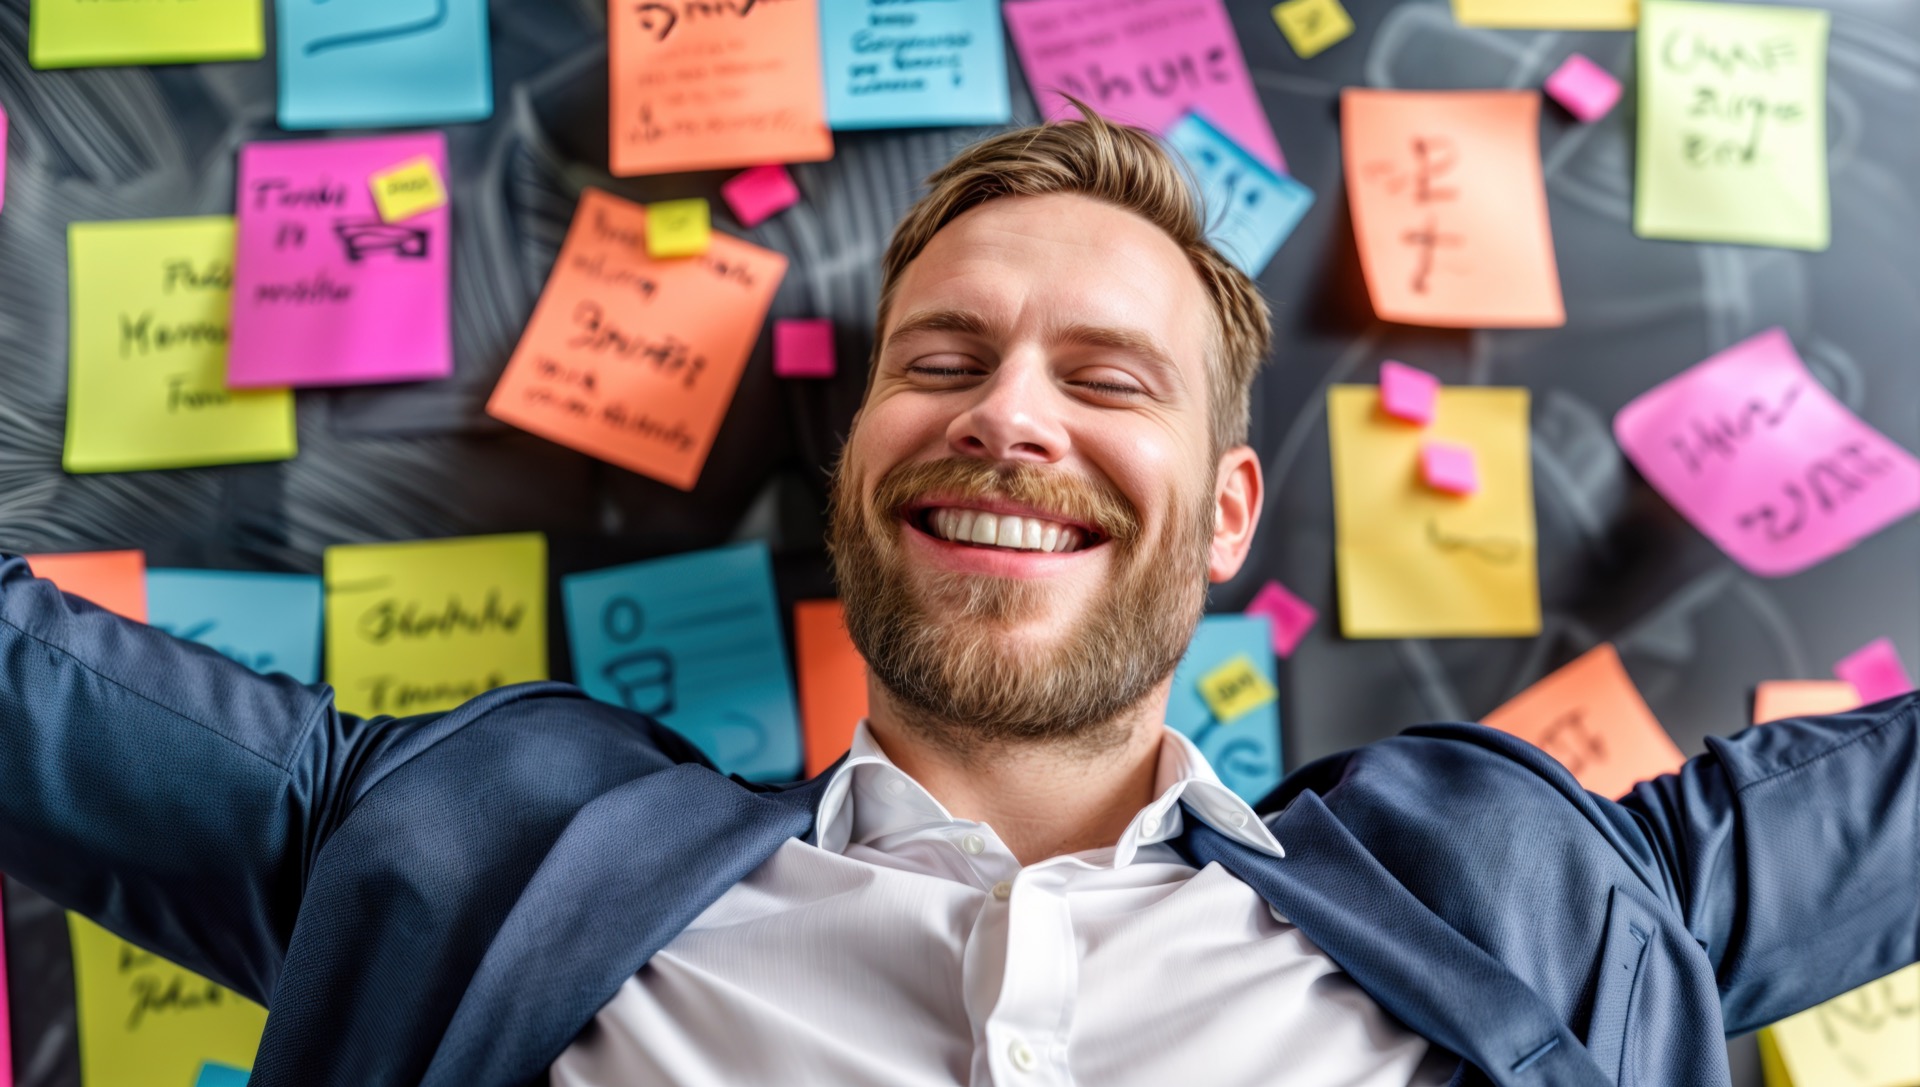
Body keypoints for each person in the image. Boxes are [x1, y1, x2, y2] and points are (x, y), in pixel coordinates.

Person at [1, 109, 1914, 1087]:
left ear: (1230, 508)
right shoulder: (471, 858)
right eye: (941, 363)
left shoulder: (1537, 899)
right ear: (857, 466)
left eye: (1104, 379)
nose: (1006, 416)